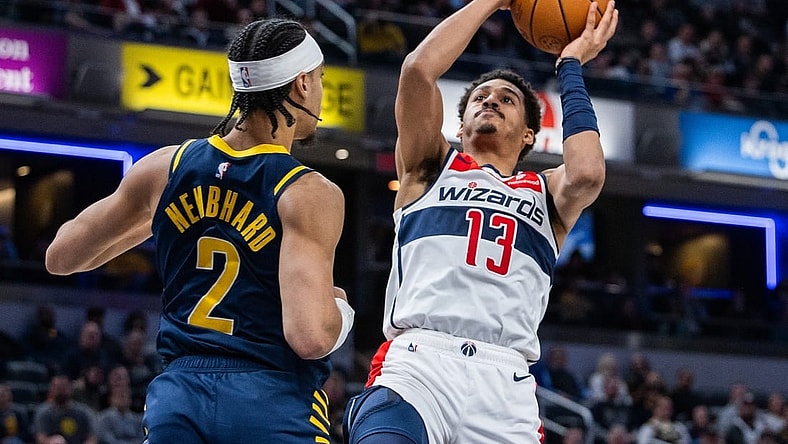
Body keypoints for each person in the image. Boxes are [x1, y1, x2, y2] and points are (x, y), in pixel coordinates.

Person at [45, 17, 354, 444]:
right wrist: (339, 310)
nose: (320, 91)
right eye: (320, 79)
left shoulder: (164, 167)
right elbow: (310, 337)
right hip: (270, 399)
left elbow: (61, 257)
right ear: (302, 83)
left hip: (179, 398)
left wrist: (156, 219)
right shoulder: (308, 191)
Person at [342, 0, 618, 443]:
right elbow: (417, 72)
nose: (490, 100)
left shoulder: (545, 191)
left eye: (506, 99)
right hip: (419, 365)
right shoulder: (428, 165)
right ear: (461, 121)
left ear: (529, 133)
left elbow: (588, 172)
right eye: (480, 98)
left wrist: (569, 66)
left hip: (504, 383)